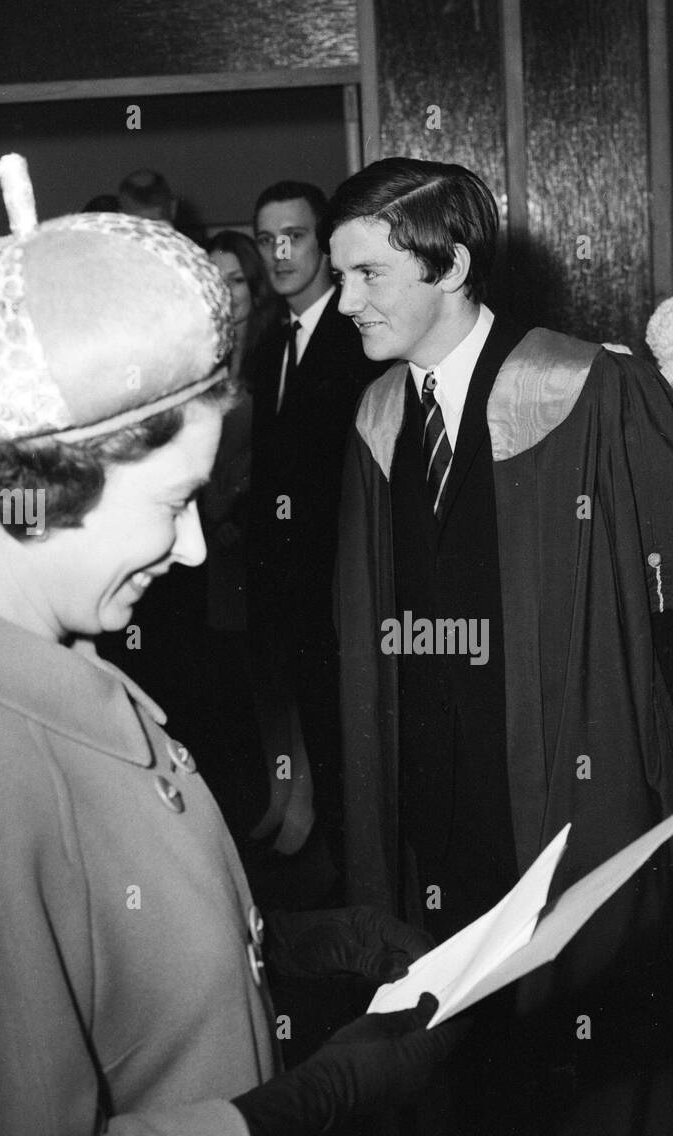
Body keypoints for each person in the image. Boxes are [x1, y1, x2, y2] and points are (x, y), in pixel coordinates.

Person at [0, 156, 459, 1136]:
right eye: (172, 502)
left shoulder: (44, 661)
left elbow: (107, 954)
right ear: (44, 487)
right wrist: (301, 1106)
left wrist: (317, 942)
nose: (193, 548)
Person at [328, 156, 673, 1136]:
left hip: (576, 808)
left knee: (584, 1084)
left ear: (452, 264)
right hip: (437, 825)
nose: (347, 299)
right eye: (342, 275)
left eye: (368, 272)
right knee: (455, 1086)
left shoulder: (587, 388)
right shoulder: (376, 415)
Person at [245, 180, 385, 865]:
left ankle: (353, 867)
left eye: (294, 236)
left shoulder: (358, 335)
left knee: (346, 732)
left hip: (341, 577)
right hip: (289, 581)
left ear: (324, 244)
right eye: (266, 239)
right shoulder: (272, 342)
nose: (279, 252)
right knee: (309, 721)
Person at [203, 229, 277, 633]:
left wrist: (234, 506)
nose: (227, 293)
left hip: (253, 529)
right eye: (216, 281)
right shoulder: (197, 358)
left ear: (254, 284)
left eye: (235, 280)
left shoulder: (276, 353)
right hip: (205, 532)